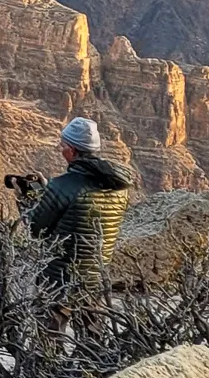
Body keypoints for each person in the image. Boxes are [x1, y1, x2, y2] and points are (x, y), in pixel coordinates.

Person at [25, 116, 135, 292]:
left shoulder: (63, 185)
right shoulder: (119, 188)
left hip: (59, 282)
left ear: (71, 150)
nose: (61, 150)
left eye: (63, 146)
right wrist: (49, 194)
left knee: (50, 320)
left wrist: (28, 199)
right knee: (90, 320)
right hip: (96, 282)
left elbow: (36, 229)